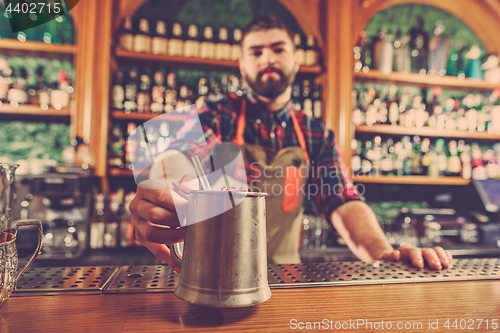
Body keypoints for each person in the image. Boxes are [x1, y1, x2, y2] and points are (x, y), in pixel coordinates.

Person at [130, 15, 452, 270]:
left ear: (296, 61)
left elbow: (341, 199)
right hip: (216, 277)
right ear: (242, 67)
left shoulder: (316, 134)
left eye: (278, 48)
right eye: (256, 52)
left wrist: (383, 254)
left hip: (286, 278)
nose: (267, 57)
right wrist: (163, 183)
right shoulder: (216, 115)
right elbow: (181, 154)